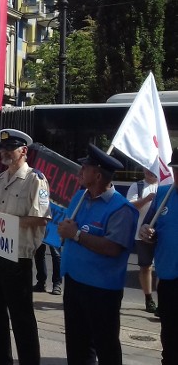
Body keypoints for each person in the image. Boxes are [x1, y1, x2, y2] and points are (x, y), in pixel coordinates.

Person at [58, 144, 138, 365]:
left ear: (98, 174)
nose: (78, 172)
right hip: (75, 282)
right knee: (77, 346)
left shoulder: (121, 209)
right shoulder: (80, 197)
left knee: (105, 346)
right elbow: (67, 228)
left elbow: (113, 248)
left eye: (84, 168)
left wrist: (75, 235)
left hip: (102, 290)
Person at [0, 129, 49, 365]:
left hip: (18, 257)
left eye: (11, 148)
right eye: (3, 148)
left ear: (24, 151)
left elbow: (40, 218)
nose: (5, 152)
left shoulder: (35, 179)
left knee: (22, 318)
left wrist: (3, 219)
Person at [140, 147, 178, 365]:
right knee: (170, 337)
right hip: (169, 278)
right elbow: (151, 228)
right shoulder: (165, 194)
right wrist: (147, 233)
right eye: (176, 170)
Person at [127, 168, 159, 313]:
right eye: (147, 169)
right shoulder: (137, 186)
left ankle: (163, 301)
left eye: (153, 170)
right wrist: (147, 199)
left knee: (163, 268)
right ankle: (148, 299)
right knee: (146, 267)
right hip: (141, 234)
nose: (150, 172)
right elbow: (130, 206)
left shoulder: (165, 186)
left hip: (161, 234)